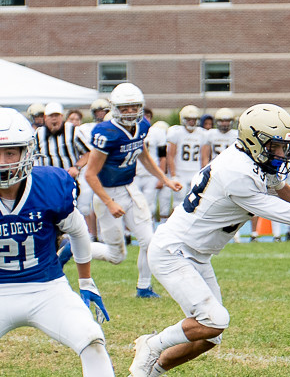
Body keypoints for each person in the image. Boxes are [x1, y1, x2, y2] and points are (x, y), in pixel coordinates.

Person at [0, 108, 158, 377]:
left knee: (91, 338)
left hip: (47, 290)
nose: (2, 161)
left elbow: (77, 231)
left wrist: (86, 282)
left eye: (11, 152)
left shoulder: (49, 184)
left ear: (28, 152)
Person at [127, 104, 290, 377]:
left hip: (197, 253)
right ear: (255, 140)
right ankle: (152, 344)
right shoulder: (238, 173)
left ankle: (149, 374)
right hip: (175, 251)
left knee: (212, 333)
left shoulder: (253, 160)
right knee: (214, 319)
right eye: (275, 146)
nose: (281, 154)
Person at [83, 82, 181, 297]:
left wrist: (165, 179)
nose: (129, 112)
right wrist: (109, 202)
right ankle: (73, 248)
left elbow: (143, 154)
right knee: (116, 256)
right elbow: (90, 174)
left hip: (129, 188)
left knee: (150, 241)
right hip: (107, 192)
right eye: (124, 108)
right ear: (114, 109)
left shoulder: (143, 126)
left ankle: (144, 287)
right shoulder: (105, 131)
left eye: (133, 107)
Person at [167, 105, 207, 207]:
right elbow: (171, 156)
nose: (191, 122)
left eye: (194, 120)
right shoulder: (176, 132)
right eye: (188, 119)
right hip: (180, 173)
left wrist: (203, 174)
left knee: (195, 202)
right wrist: (173, 175)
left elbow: (204, 157)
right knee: (178, 201)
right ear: (183, 120)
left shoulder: (202, 134)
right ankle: (176, 223)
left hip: (195, 172)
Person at [34, 102, 86, 178]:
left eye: (57, 115)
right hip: (47, 180)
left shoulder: (73, 131)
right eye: (51, 116)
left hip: (68, 179)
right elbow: (33, 156)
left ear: (62, 117)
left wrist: (76, 167)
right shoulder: (39, 134)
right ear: (45, 118)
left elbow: (88, 153)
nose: (54, 118)